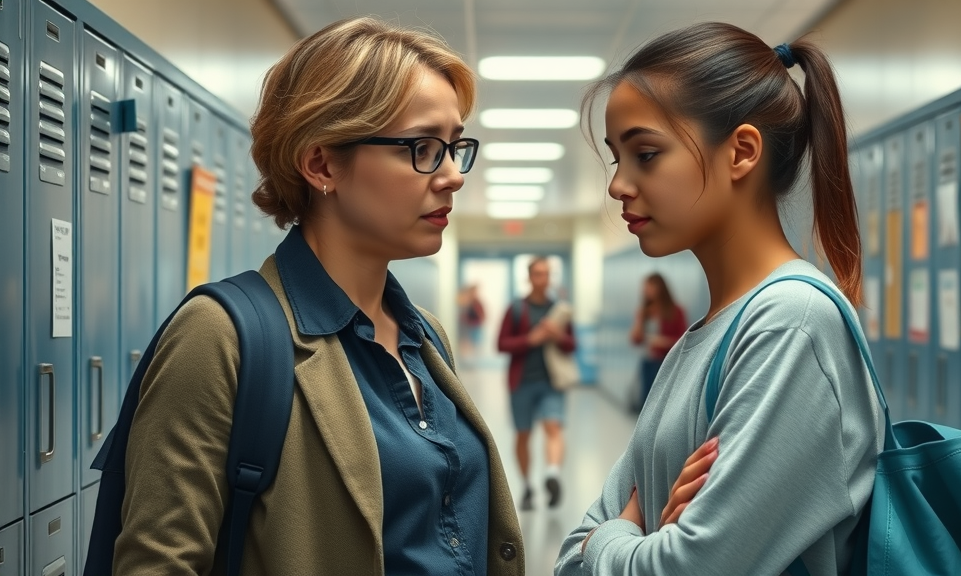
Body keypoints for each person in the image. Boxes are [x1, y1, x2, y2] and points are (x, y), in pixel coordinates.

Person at [114, 18, 524, 575]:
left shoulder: (424, 335)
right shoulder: (221, 338)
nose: (453, 175)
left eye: (456, 147)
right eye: (425, 148)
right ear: (322, 164)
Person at [555, 22, 885, 575]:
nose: (617, 185)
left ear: (742, 152)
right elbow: (569, 557)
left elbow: (677, 567)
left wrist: (614, 538)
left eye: (646, 154)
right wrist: (637, 538)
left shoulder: (790, 324)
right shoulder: (702, 338)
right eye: (618, 159)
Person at [497, 256, 576, 511]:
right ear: (530, 277)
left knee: (553, 427)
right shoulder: (517, 309)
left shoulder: (560, 310)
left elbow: (572, 345)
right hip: (521, 383)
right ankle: (528, 486)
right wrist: (530, 339)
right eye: (538, 274)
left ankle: (552, 475)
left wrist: (557, 335)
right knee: (524, 434)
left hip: (551, 382)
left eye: (547, 274)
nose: (543, 279)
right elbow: (501, 344)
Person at [629, 273, 687, 408]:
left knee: (662, 404)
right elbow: (635, 340)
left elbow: (684, 339)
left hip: (665, 362)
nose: (645, 290)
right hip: (647, 362)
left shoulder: (676, 311)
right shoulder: (645, 312)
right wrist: (639, 319)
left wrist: (662, 342)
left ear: (660, 288)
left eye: (649, 286)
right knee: (646, 403)